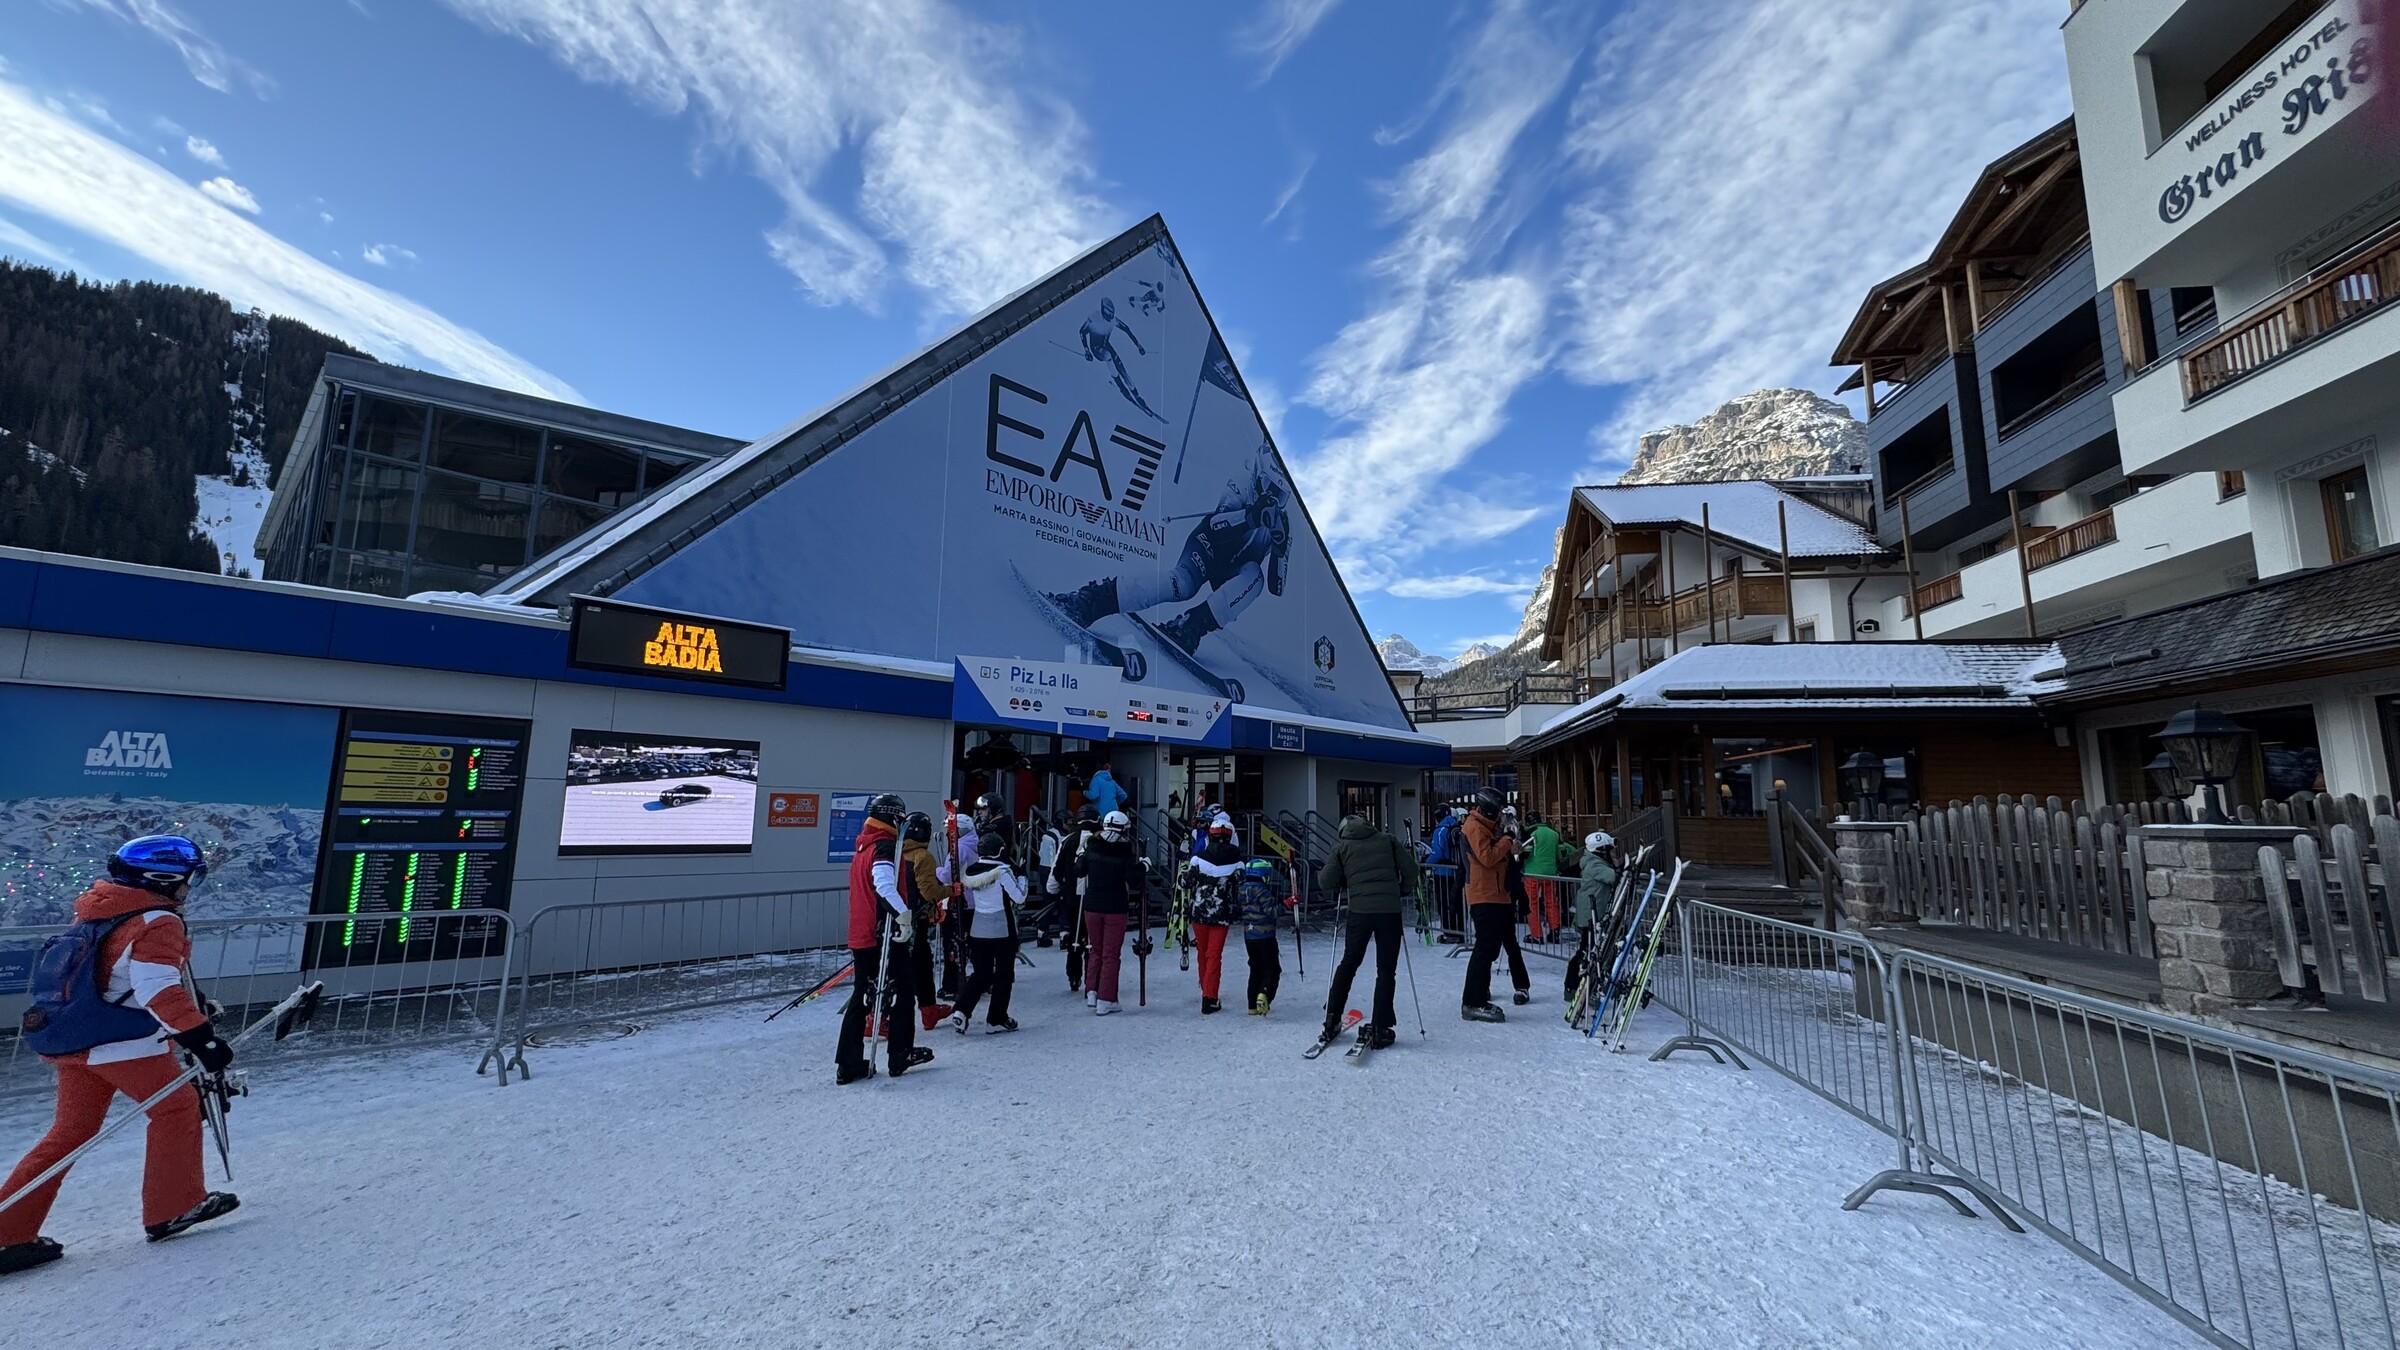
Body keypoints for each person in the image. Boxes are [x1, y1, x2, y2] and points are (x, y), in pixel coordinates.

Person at [1, 835, 240, 1275]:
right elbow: (157, 989)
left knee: (69, 1133)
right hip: (125, 1043)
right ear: (163, 880)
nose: (189, 890)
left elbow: (116, 977)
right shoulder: (157, 921)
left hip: (79, 1037)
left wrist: (194, 1009)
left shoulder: (97, 911)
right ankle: (174, 1207)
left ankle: (7, 1233)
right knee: (177, 1108)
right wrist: (202, 1039)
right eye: (189, 880)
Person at [836, 795, 931, 1084]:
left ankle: (848, 1062)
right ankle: (900, 1053)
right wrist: (904, 916)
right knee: (903, 989)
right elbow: (884, 886)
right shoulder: (884, 846)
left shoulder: (864, 845)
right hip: (883, 933)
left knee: (862, 995)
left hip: (862, 932)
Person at [1316, 814, 1417, 1051]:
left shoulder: (1342, 847)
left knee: (1349, 963)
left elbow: (1325, 881)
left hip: (1360, 913)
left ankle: (1332, 1018)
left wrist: (1344, 878)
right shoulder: (1388, 840)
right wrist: (1401, 890)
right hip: (1389, 912)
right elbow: (1411, 869)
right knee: (1386, 970)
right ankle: (1381, 1026)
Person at [1460, 789, 1528, 1021]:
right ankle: (1473, 1001)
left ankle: (1478, 996)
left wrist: (1511, 848)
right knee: (1485, 948)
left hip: (1496, 894)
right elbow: (1487, 857)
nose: (1501, 815)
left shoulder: (1487, 827)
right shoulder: (1474, 827)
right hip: (1484, 894)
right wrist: (1507, 840)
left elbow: (1496, 854)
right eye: (1498, 811)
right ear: (1489, 810)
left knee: (1489, 948)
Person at [950, 834, 1024, 1034]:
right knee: (1004, 975)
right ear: (1000, 851)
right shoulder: (1002, 871)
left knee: (981, 974)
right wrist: (1022, 878)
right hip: (1002, 929)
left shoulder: (971, 871)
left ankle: (962, 1010)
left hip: (978, 928)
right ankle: (996, 1019)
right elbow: (1019, 897)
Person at [1073, 810, 1145, 1015]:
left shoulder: (1092, 846)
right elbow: (1134, 879)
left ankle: (1092, 991)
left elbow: (1079, 870)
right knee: (1111, 954)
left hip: (1092, 905)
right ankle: (1107, 998)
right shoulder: (1124, 851)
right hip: (1115, 907)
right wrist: (1143, 866)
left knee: (1095, 949)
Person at [899, 813, 956, 1033]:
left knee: (901, 965)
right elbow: (928, 890)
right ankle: (927, 1010)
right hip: (917, 918)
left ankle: (880, 1013)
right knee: (921, 965)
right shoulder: (922, 856)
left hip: (898, 917)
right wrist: (950, 891)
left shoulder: (896, 853)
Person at [1183, 814, 1242, 1014]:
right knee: (1214, 954)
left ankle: (1204, 985)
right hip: (1221, 912)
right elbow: (1241, 882)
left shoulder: (1198, 858)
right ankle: (1210, 997)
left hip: (1199, 911)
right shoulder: (1237, 860)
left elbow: (1186, 883)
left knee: (1202, 950)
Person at [1564, 831, 1622, 1009]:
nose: (1612, 853)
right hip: (1591, 916)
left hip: (1596, 914)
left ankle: (1588, 985)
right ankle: (1574, 985)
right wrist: (1620, 866)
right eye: (1609, 850)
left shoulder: (1594, 862)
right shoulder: (1595, 864)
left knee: (1592, 951)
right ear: (1601, 850)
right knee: (1587, 951)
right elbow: (1614, 877)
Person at [1052, 806, 1100, 983]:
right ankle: (1092, 978)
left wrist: (1057, 889)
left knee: (1075, 933)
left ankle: (1073, 974)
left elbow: (1056, 870)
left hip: (1072, 896)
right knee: (1094, 938)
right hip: (1096, 897)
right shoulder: (1101, 839)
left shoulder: (1068, 840)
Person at [1237, 857, 1290, 1015]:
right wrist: (1286, 904)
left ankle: (1252, 1005)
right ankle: (1265, 993)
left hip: (1249, 936)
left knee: (1255, 969)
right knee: (1272, 969)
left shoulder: (1242, 890)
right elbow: (1271, 912)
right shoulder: (1263, 891)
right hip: (1265, 936)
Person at [1522, 811, 1564, 942]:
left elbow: (1526, 853)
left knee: (1531, 904)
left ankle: (1536, 935)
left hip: (1532, 873)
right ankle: (1555, 932)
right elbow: (1561, 852)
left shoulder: (1531, 833)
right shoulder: (1554, 833)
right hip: (1551, 874)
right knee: (1552, 902)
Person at [1424, 807, 1464, 943]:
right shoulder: (1456, 827)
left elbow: (1437, 852)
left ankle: (1450, 932)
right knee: (1456, 903)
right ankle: (1459, 931)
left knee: (1444, 903)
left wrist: (1425, 863)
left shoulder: (1441, 830)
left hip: (1442, 872)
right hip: (1457, 872)